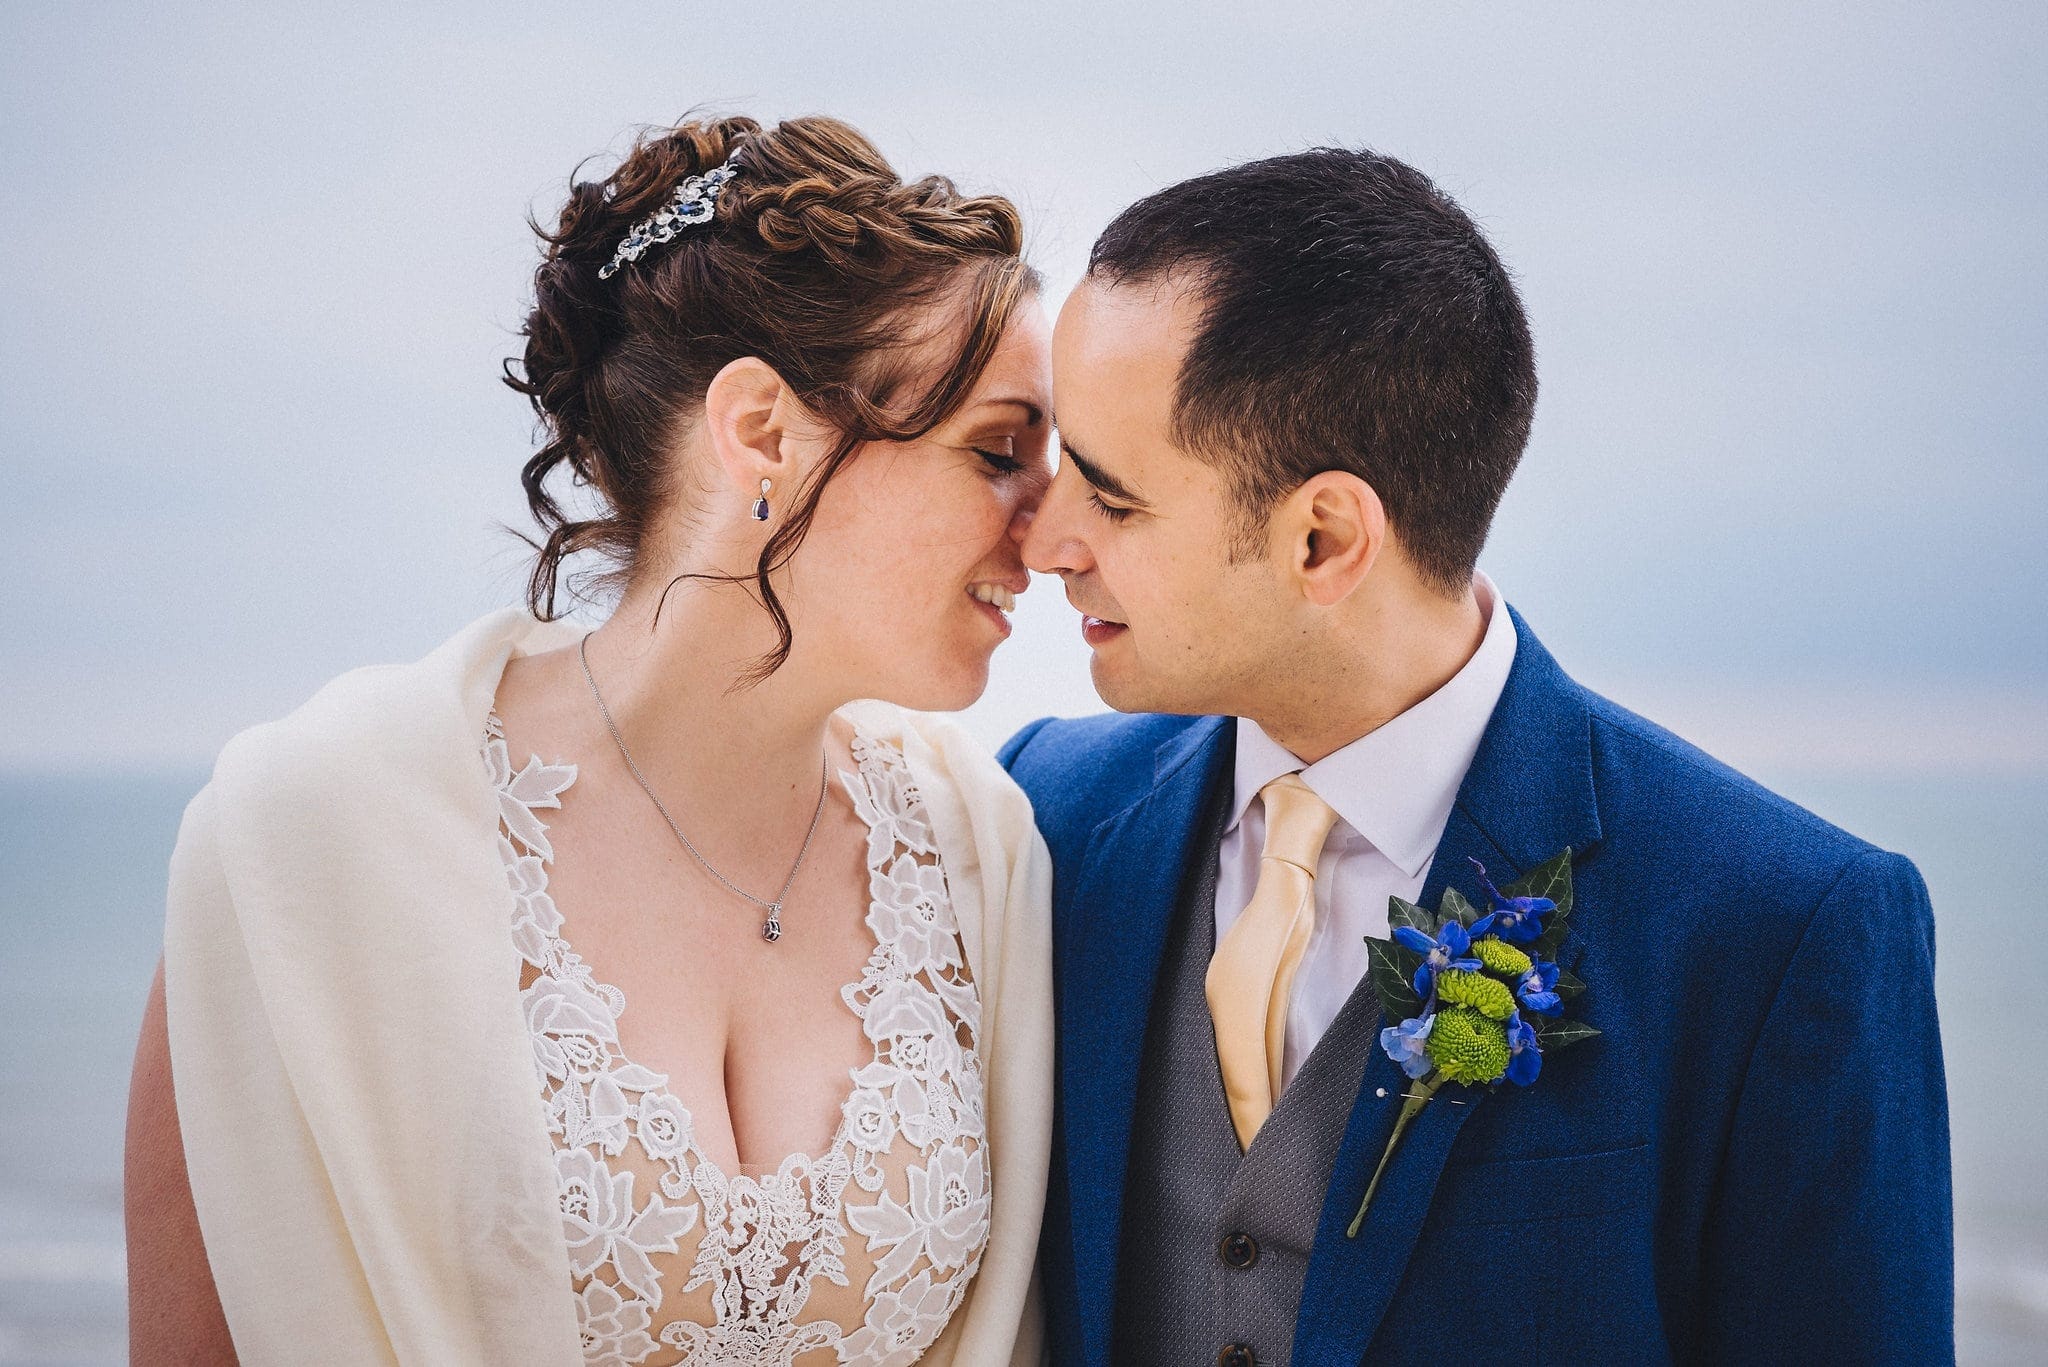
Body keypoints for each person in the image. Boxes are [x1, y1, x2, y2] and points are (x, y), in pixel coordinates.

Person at [123, 113, 1055, 1366]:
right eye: (998, 453)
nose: (1049, 533)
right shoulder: (311, 835)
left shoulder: (977, 852)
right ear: (764, 433)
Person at [1002, 149, 1952, 1365]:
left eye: (1111, 495)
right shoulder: (1046, 814)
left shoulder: (1776, 926)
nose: (1044, 540)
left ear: (1322, 537)